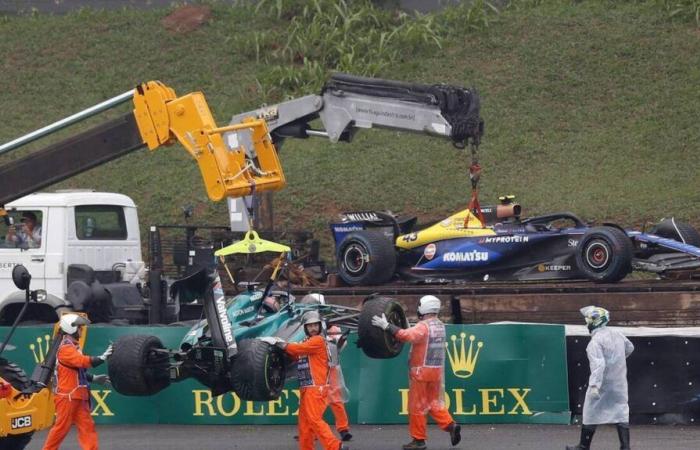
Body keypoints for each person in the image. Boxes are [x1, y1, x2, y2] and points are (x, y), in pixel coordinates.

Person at [372, 295, 461, 450]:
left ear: (424, 307)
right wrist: (404, 324)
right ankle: (450, 425)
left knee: (417, 406)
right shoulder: (439, 325)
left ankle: (418, 440)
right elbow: (416, 333)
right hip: (436, 372)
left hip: (421, 372)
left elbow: (408, 335)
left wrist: (387, 326)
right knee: (433, 402)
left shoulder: (424, 326)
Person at [261, 311, 347, 450]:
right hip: (307, 388)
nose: (313, 328)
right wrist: (282, 347)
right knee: (305, 424)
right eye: (309, 326)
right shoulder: (308, 342)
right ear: (305, 328)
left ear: (320, 326)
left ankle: (336, 446)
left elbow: (297, 349)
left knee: (314, 420)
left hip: (316, 388)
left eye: (315, 325)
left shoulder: (318, 340)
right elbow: (297, 354)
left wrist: (280, 343)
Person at [566, 306, 634, 450]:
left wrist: (594, 386)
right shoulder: (617, 334)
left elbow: (598, 365)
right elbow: (630, 348)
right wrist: (617, 361)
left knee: (590, 410)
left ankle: (584, 446)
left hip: (603, 383)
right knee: (621, 411)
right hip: (619, 381)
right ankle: (625, 446)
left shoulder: (595, 342)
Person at [43, 314, 112, 450]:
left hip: (78, 396)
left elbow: (76, 371)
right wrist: (103, 357)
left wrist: (94, 379)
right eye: (79, 327)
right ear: (71, 329)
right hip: (67, 397)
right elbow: (82, 362)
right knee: (61, 429)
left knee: (87, 427)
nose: (81, 330)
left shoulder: (73, 347)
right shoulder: (65, 348)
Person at [327, 324, 352, 442]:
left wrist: (340, 339)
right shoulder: (307, 327)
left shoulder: (334, 330)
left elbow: (340, 346)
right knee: (312, 402)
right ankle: (309, 430)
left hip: (332, 369)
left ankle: (343, 429)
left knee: (336, 400)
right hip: (315, 369)